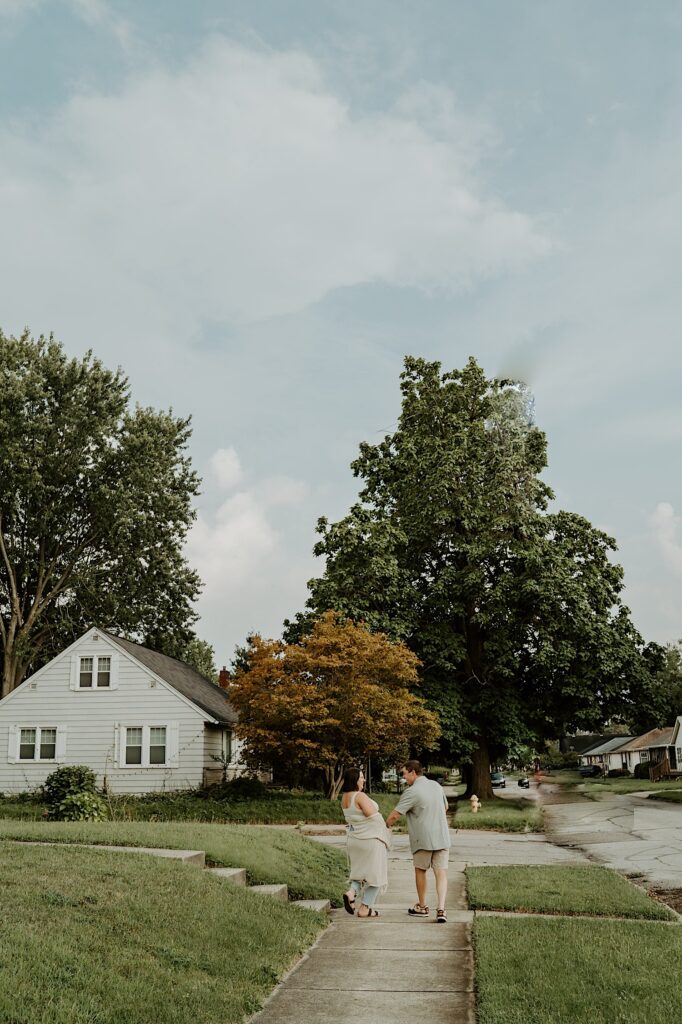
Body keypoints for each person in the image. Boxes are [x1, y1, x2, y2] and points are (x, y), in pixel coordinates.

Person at [385, 760, 450, 923]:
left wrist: (385, 826)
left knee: (420, 871)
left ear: (413, 772)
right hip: (442, 836)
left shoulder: (412, 792)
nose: (403, 777)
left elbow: (395, 815)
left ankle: (422, 906)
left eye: (404, 774)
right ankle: (441, 909)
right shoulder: (436, 786)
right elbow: (445, 808)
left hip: (423, 839)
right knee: (441, 873)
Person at [341, 767, 390, 918]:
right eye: (361, 777)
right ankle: (365, 908)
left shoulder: (344, 798)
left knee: (360, 872)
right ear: (354, 780)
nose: (363, 780)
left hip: (355, 841)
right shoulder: (360, 796)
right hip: (370, 841)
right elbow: (372, 816)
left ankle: (351, 893)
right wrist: (386, 829)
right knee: (376, 874)